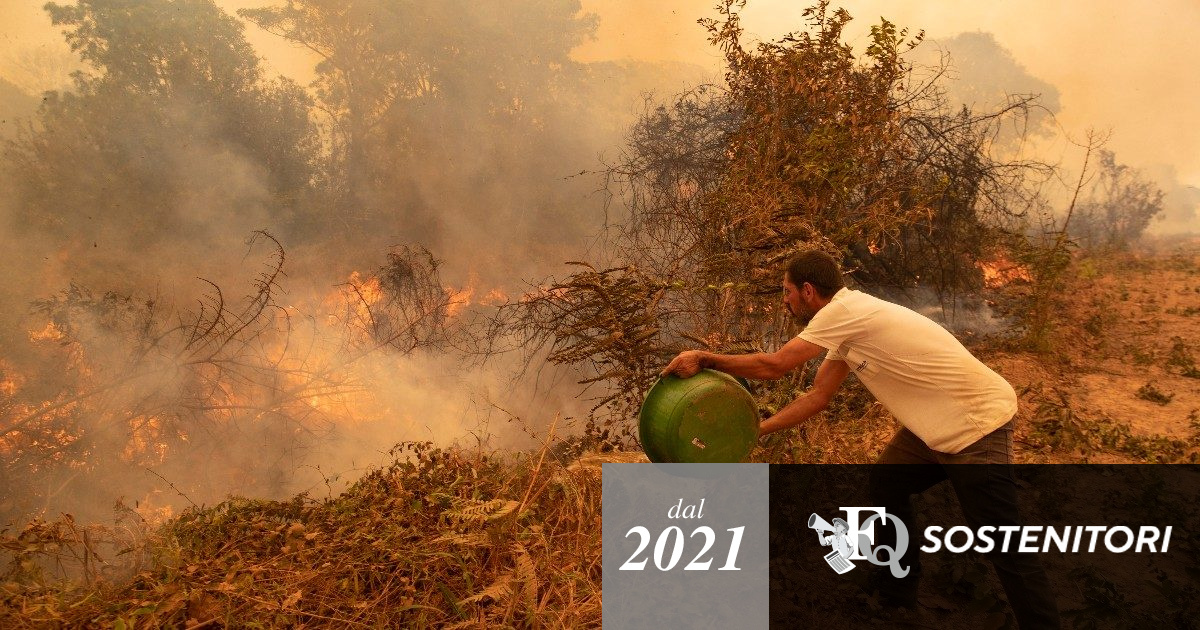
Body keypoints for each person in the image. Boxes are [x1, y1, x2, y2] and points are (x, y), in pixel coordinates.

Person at [661, 250, 1060, 630]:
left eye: (786, 292)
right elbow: (818, 397)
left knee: (1002, 543)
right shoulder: (848, 322)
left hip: (977, 423)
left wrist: (706, 358)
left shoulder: (844, 312)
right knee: (886, 483)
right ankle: (896, 592)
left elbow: (776, 365)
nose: (784, 303)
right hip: (937, 427)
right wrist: (755, 431)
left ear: (808, 291)